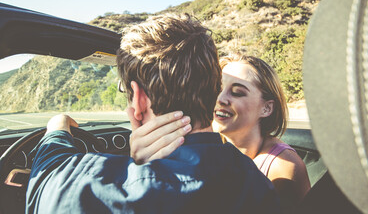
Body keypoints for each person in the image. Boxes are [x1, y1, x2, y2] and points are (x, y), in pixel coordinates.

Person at [26, 14, 281, 214]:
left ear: (138, 99)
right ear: (213, 90)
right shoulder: (258, 185)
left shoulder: (80, 186)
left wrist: (58, 124)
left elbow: (48, 171)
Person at [131, 54, 311, 213]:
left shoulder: (283, 167)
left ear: (266, 108)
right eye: (217, 89)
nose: (221, 99)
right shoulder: (199, 145)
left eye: (237, 93)